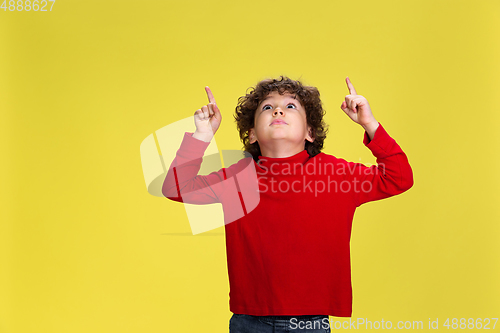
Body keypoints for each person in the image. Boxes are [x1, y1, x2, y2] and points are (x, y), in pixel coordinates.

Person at [162, 76, 414, 332]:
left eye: (290, 106)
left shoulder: (337, 174)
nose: (278, 110)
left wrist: (369, 123)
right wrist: (201, 136)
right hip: (249, 321)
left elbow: (399, 177)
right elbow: (175, 187)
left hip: (310, 322)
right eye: (267, 108)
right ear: (251, 134)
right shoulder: (237, 178)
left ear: (310, 133)